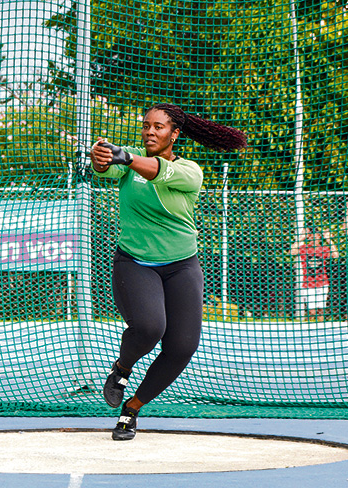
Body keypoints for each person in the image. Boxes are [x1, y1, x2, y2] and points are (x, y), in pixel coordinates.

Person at [89, 103, 247, 441]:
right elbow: (107, 169)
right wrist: (100, 156)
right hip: (134, 262)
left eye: (158, 127)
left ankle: (131, 408)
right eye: (146, 125)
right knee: (149, 328)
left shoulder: (190, 171)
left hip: (181, 265)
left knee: (182, 347)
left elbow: (155, 170)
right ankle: (122, 368)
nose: (149, 131)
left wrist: (124, 158)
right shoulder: (128, 162)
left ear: (175, 134)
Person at [289, 226, 339, 321]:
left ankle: (320, 328)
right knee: (311, 310)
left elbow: (335, 254)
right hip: (308, 283)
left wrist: (329, 240)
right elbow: (291, 252)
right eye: (312, 237)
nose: (314, 239)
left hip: (322, 282)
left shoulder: (323, 249)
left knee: (321, 308)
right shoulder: (304, 248)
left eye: (317, 237)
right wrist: (301, 237)